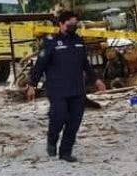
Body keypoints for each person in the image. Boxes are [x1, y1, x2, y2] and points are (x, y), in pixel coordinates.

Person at [27, 11, 106, 162]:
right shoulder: (51, 42)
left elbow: (85, 64)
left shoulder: (78, 40)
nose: (73, 26)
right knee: (59, 116)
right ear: (61, 24)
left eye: (75, 24)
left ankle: (65, 152)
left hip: (77, 89)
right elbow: (40, 64)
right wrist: (32, 85)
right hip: (57, 90)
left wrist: (96, 80)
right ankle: (52, 139)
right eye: (70, 24)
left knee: (74, 122)